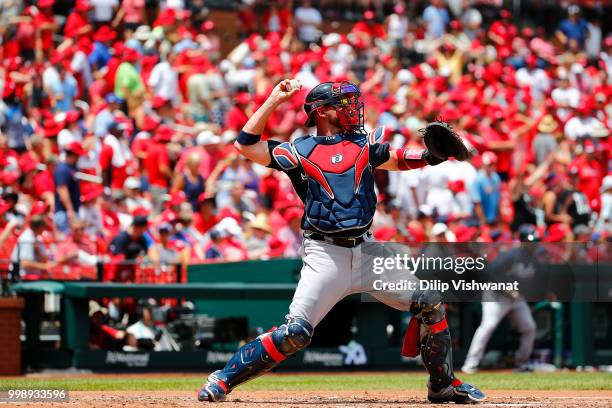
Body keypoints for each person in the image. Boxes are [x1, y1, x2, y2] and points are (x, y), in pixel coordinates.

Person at [197, 79, 485, 404]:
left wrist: (435, 156)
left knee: (430, 301)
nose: (352, 108)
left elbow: (402, 158)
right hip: (325, 253)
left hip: (368, 250)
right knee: (295, 334)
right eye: (342, 103)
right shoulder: (299, 150)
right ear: (321, 111)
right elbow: (245, 144)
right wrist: (274, 99)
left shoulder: (363, 143)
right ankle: (222, 378)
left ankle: (443, 385)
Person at [462, 225, 538, 374]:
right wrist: (506, 288)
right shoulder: (509, 255)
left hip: (516, 298)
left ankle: (522, 364)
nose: (534, 245)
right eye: (531, 241)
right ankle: (470, 363)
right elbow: (492, 274)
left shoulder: (534, 260)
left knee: (529, 327)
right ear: (522, 241)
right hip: (495, 295)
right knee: (488, 326)